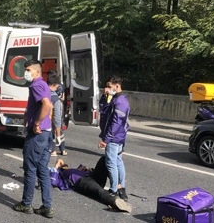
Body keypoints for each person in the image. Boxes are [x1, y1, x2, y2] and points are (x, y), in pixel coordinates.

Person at [13, 59, 54, 219]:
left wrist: (36, 122)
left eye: (28, 70)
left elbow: (46, 104)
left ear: (37, 71)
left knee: (30, 168)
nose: (26, 72)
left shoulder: (36, 85)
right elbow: (47, 104)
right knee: (42, 169)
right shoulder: (43, 84)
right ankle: (47, 207)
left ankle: (26, 204)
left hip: (37, 134)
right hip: (46, 133)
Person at [49, 157, 132, 213]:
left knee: (105, 158)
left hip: (91, 177)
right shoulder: (60, 174)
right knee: (99, 191)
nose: (63, 164)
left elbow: (95, 171)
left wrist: (87, 168)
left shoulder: (74, 170)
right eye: (61, 165)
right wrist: (56, 167)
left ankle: (118, 188)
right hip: (81, 182)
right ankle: (115, 201)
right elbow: (53, 182)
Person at [98, 76, 130, 201]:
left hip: (114, 138)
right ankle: (121, 189)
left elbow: (117, 123)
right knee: (117, 161)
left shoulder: (120, 102)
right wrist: (104, 96)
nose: (108, 89)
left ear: (117, 86)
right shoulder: (115, 99)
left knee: (112, 163)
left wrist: (106, 139)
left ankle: (114, 190)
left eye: (110, 87)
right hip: (118, 137)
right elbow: (103, 110)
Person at [47, 72, 67, 157]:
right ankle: (57, 150)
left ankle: (55, 150)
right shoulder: (55, 98)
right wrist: (58, 136)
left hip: (38, 125)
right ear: (56, 84)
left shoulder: (40, 92)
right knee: (55, 130)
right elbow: (57, 118)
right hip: (49, 123)